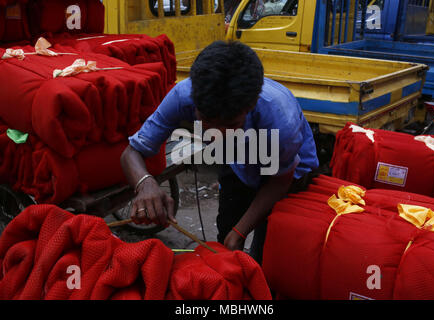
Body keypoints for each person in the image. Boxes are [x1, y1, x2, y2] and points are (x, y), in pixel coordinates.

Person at [120, 40, 319, 264]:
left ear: (251, 105)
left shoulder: (279, 118)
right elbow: (132, 152)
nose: (217, 134)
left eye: (231, 125)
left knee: (268, 254)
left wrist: (241, 232)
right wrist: (145, 184)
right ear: (193, 103)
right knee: (225, 240)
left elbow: (279, 181)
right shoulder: (183, 95)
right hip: (239, 164)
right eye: (206, 121)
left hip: (289, 176)